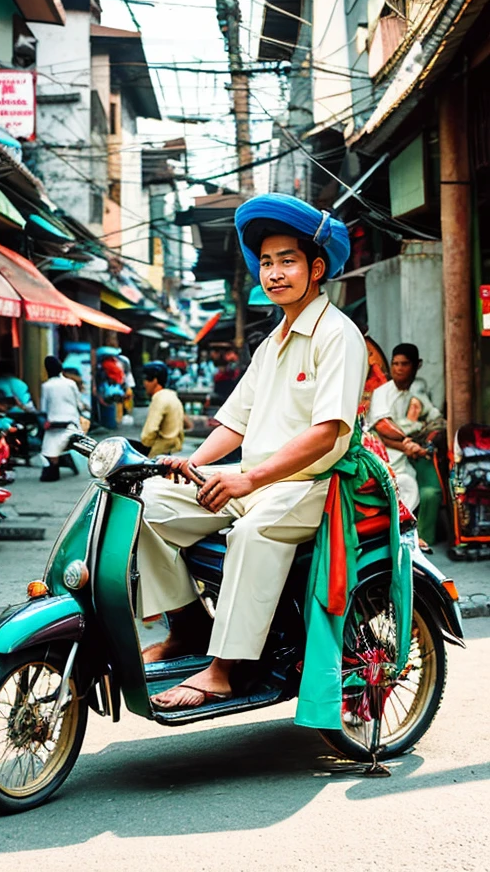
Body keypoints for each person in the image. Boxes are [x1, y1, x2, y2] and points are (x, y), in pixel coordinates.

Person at [137, 194, 367, 710]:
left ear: (317, 267)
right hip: (257, 480)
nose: (275, 273)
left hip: (312, 487)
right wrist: (193, 464)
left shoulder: (338, 335)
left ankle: (223, 670)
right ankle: (190, 624)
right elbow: (233, 421)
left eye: (288, 260)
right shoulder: (271, 342)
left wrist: (248, 480)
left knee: (251, 532)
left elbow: (327, 432)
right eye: (267, 262)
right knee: (148, 503)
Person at [366, 342, 444, 546]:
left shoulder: (419, 392)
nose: (399, 368)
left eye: (404, 364)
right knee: (405, 485)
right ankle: (397, 537)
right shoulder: (382, 392)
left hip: (410, 458)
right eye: (395, 364)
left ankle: (413, 538)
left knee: (417, 488)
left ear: (417, 365)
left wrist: (420, 440)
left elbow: (436, 421)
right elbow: (382, 428)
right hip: (385, 456)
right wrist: (407, 441)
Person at [40, 356, 86, 482]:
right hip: (72, 422)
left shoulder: (46, 386)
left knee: (48, 447)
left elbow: (44, 408)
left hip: (54, 424)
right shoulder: (70, 383)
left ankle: (54, 467)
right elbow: (79, 404)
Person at [140, 361, 185, 458]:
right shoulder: (172, 396)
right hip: (171, 449)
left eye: (147, 380)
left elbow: (149, 432)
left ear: (155, 380)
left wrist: (144, 446)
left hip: (159, 451)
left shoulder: (159, 399)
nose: (145, 384)